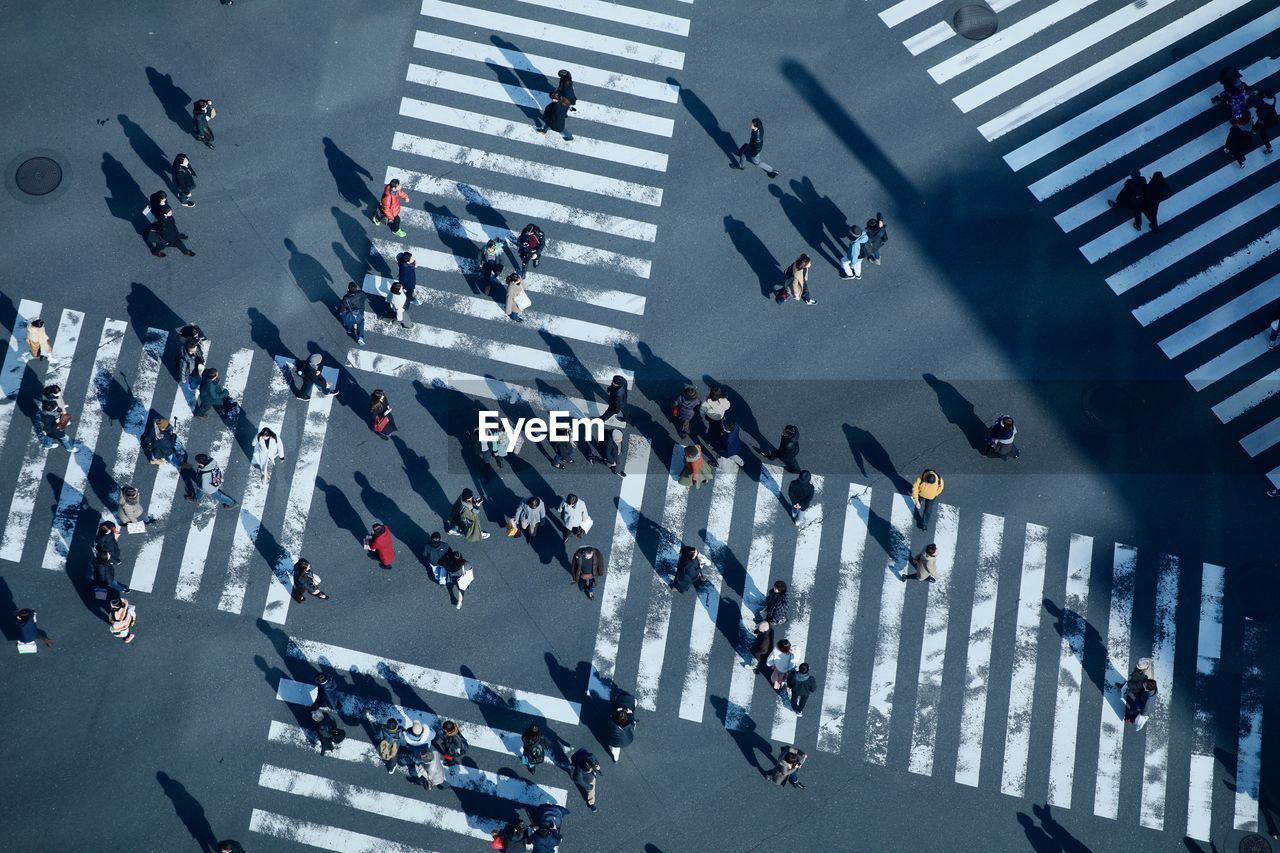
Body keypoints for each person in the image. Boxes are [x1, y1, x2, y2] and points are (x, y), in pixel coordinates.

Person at [605, 692, 636, 762]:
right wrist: (630, 713)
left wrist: (617, 711)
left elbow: (610, 719)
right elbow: (632, 720)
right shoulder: (629, 724)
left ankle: (615, 759)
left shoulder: (612, 723)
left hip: (614, 742)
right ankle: (615, 758)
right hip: (626, 740)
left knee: (615, 750)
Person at [339, 281, 367, 345]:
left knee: (349, 320)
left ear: (348, 289)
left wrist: (341, 313)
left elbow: (342, 308)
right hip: (360, 312)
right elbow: (365, 297)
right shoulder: (361, 293)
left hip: (351, 313)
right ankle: (360, 337)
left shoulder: (346, 298)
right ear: (356, 288)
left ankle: (350, 330)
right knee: (360, 323)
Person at [1252, 88, 1277, 154]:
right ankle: (1254, 129)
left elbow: (1261, 112)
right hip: (1272, 118)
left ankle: (1269, 147)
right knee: (1260, 125)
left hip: (1265, 120)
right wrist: (1258, 93)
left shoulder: (1264, 103)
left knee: (1262, 132)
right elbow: (1264, 96)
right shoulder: (1274, 99)